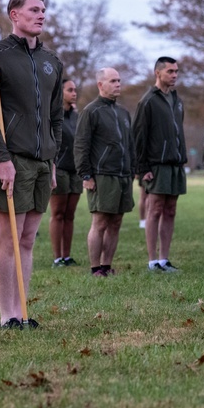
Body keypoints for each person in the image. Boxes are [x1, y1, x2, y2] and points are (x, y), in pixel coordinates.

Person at [0, 0, 63, 328]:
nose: (41, 15)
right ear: (14, 14)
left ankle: (23, 310)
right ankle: (7, 316)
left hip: (43, 162)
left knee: (28, 238)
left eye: (43, 10)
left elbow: (56, 115)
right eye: (34, 9)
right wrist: (1, 157)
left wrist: (53, 158)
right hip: (10, 159)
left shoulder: (53, 62)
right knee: (9, 236)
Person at [75, 67, 134, 277]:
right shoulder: (91, 111)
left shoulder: (123, 113)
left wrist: (132, 169)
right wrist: (86, 175)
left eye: (119, 80)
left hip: (123, 175)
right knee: (100, 222)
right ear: (101, 85)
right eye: (112, 81)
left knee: (116, 222)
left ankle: (107, 265)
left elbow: (130, 144)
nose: (118, 84)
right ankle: (95, 268)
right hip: (101, 175)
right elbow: (81, 145)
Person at [134, 57, 186, 273]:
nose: (174, 75)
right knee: (154, 210)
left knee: (171, 210)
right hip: (156, 165)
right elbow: (138, 136)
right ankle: (152, 261)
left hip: (176, 164)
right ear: (158, 73)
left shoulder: (176, 99)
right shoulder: (148, 101)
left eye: (176, 71)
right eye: (170, 71)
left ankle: (164, 260)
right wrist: (142, 167)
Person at [49, 78, 81, 267]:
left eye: (75, 90)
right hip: (58, 169)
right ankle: (57, 257)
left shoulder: (77, 117)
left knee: (70, 214)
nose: (74, 93)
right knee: (58, 213)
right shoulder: (53, 115)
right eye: (70, 90)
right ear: (60, 93)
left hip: (75, 170)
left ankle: (67, 256)